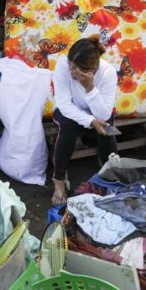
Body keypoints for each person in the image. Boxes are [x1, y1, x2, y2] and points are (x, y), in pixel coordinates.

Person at [51, 36, 118, 205]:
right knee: (67, 127)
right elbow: (64, 105)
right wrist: (90, 121)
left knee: (106, 129)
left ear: (92, 70)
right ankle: (58, 182)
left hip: (98, 112)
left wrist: (90, 87)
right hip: (70, 111)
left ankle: (111, 180)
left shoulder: (108, 73)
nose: (71, 71)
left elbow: (103, 113)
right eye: (70, 66)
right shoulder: (62, 65)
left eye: (76, 69)